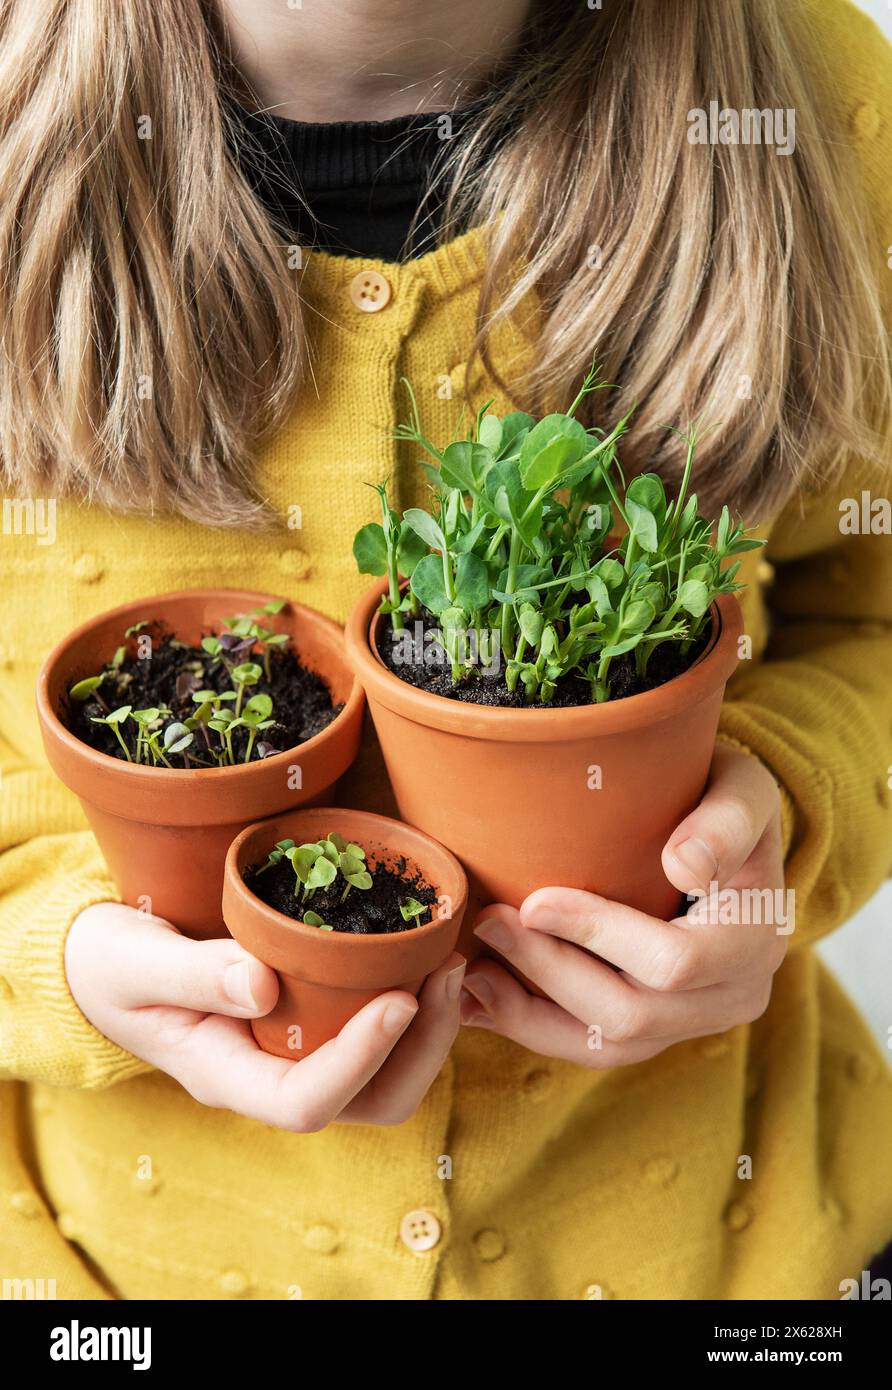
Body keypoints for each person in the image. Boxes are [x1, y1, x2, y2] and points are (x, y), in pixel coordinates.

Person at [0, 0, 889, 1300]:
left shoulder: (819, 106)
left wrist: (782, 825)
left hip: (749, 1254)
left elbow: (868, 608)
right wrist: (51, 950)